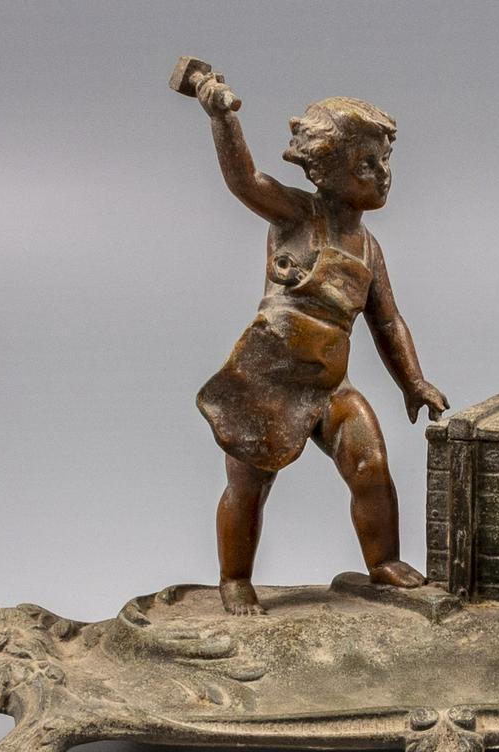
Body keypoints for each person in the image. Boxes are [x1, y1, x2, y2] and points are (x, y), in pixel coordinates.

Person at [191, 73, 449, 614]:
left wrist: (414, 381)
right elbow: (243, 179)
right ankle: (234, 579)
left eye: (384, 161)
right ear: (324, 172)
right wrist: (222, 118)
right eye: (366, 165)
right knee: (248, 485)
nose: (383, 175)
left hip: (332, 387)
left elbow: (388, 322)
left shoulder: (369, 248)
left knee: (371, 465)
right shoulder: (297, 215)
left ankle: (383, 560)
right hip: (266, 384)